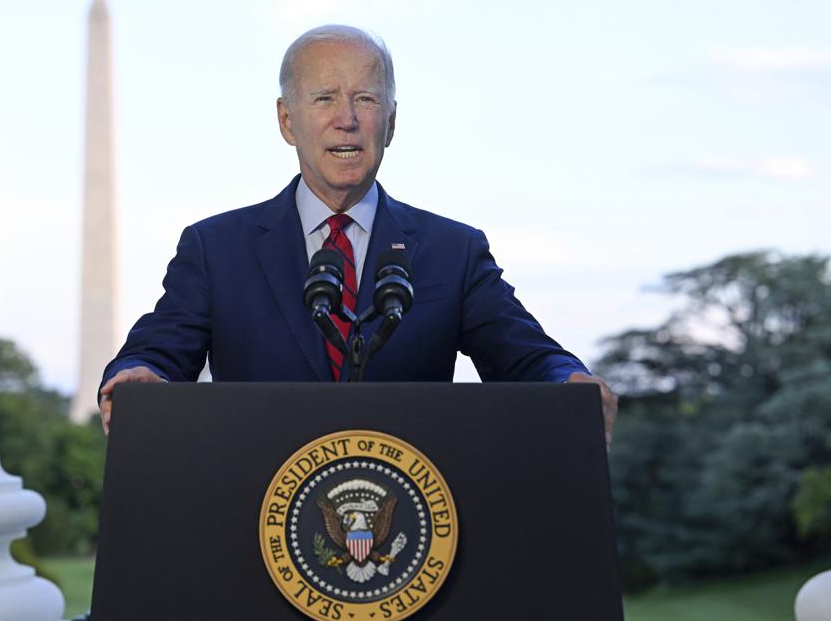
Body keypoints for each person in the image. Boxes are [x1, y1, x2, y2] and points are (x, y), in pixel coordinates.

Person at [98, 25, 618, 445]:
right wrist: (139, 376)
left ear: (390, 122)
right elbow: (158, 352)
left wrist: (569, 383)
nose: (345, 119)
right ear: (287, 120)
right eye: (324, 98)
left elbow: (527, 358)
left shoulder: (453, 252)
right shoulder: (216, 249)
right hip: (258, 517)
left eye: (365, 99)